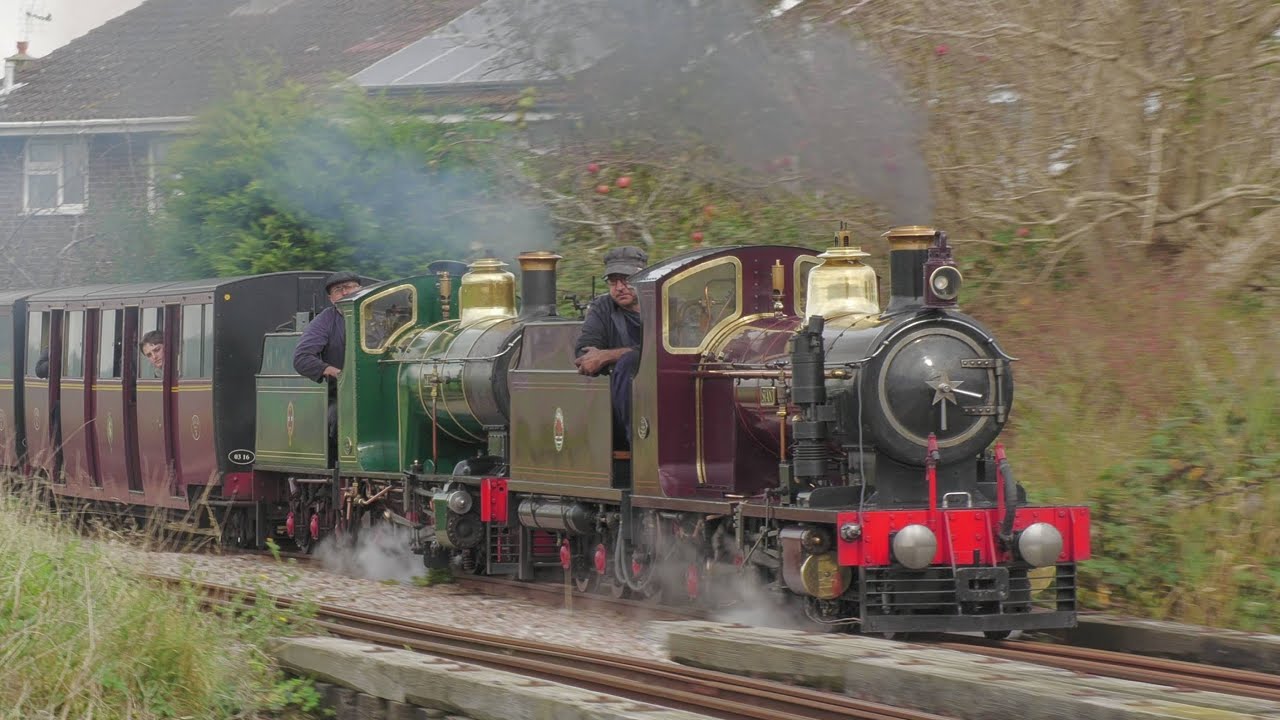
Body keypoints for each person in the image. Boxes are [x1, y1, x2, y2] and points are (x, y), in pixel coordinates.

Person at [574, 246, 647, 443]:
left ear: (644, 278)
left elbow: (665, 351)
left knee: (629, 360)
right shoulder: (603, 307)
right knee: (627, 363)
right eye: (613, 281)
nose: (620, 287)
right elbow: (585, 352)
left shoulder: (667, 302)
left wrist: (608, 355)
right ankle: (637, 443)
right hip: (620, 406)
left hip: (664, 391)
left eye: (627, 280)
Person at [293, 271, 363, 442]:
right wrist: (335, 373)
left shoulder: (380, 316)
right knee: (340, 417)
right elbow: (302, 358)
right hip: (341, 395)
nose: (346, 292)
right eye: (339, 289)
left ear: (361, 290)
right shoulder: (324, 321)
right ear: (332, 299)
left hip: (383, 390)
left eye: (349, 287)